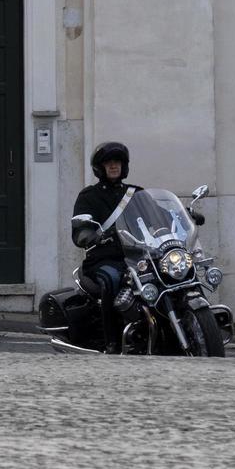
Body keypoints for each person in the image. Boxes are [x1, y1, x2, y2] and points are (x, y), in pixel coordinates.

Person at [73, 142, 140, 352]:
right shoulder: (89, 196)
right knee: (112, 278)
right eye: (108, 163)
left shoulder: (136, 194)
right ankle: (112, 341)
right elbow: (80, 229)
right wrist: (88, 234)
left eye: (117, 162)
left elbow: (155, 218)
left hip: (137, 257)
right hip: (104, 258)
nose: (113, 166)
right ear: (99, 168)